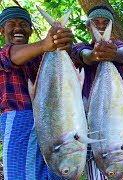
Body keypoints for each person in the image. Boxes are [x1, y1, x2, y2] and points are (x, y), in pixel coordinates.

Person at [0, 6, 74, 179]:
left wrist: (62, 43)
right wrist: (45, 44)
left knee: (56, 171)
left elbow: (68, 65)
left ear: (30, 30)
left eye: (23, 24)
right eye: (12, 24)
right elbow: (13, 56)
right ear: (2, 30)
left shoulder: (43, 55)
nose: (18, 28)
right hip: (20, 120)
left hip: (53, 120)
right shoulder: (4, 52)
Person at [71, 5, 123, 180]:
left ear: (111, 27)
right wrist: (94, 55)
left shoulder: (119, 45)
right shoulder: (81, 46)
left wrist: (113, 53)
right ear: (88, 27)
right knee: (100, 167)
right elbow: (83, 55)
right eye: (95, 23)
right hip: (93, 121)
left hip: (122, 120)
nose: (100, 26)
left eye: (105, 23)